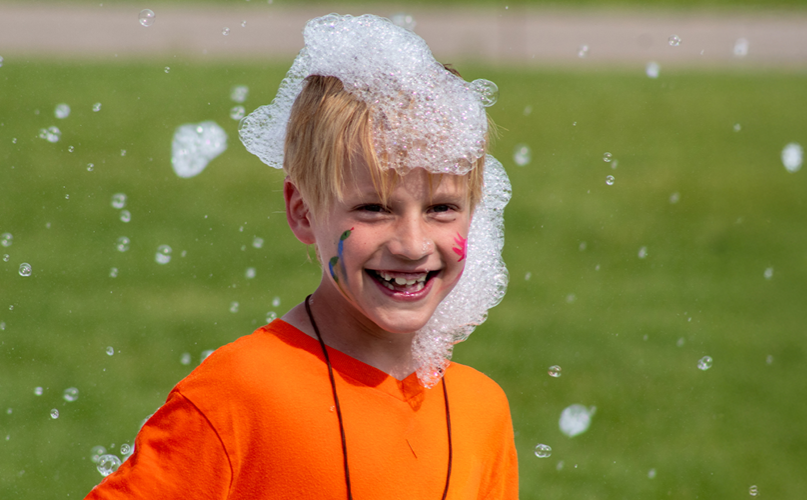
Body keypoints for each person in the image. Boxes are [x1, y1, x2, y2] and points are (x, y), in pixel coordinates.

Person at [86, 13, 516, 499]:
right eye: (373, 208)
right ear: (302, 212)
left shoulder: (481, 410)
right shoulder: (240, 394)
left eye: (441, 208)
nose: (412, 244)